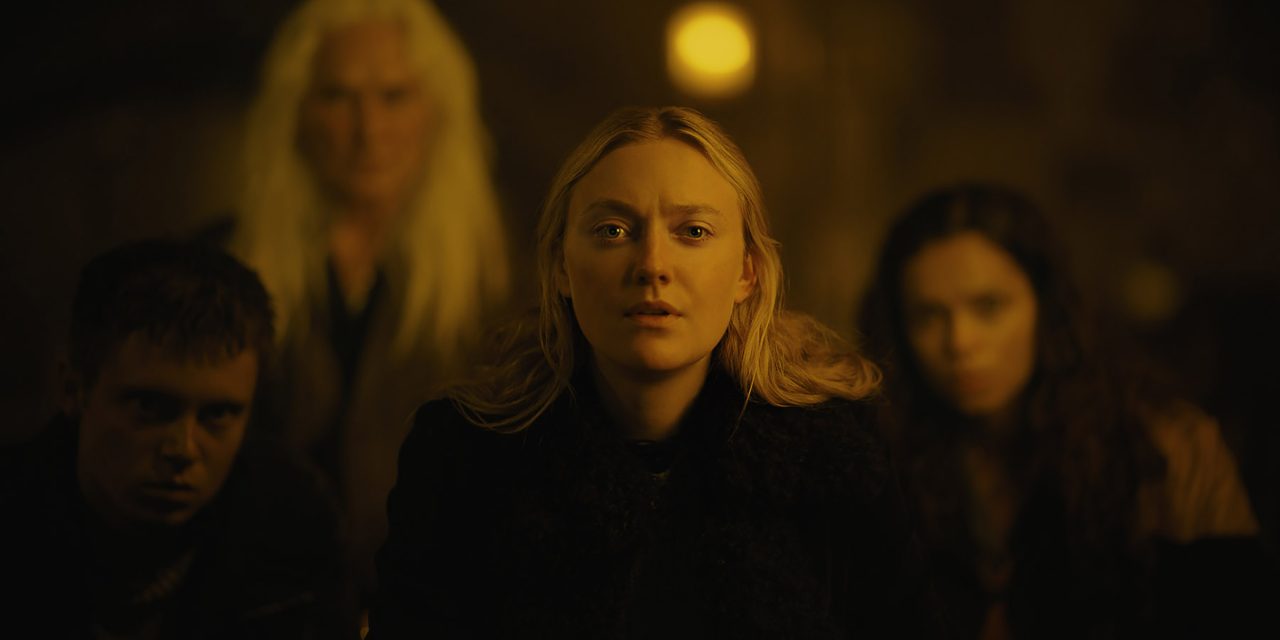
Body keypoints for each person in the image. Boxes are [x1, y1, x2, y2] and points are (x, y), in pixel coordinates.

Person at [370, 106, 944, 638]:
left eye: (693, 232)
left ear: (746, 272)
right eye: (613, 231)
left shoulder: (833, 461)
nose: (652, 266)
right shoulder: (465, 458)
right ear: (561, 265)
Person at [858, 184, 1275, 639]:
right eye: (928, 316)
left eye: (988, 307)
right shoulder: (882, 458)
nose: (959, 342)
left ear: (1045, 306)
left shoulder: (1163, 448)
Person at [229, 0, 509, 598]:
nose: (368, 129)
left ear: (436, 112)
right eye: (337, 96)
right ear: (296, 112)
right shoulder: (227, 269)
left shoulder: (498, 284)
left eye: (394, 96)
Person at [0, 240, 356, 638]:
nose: (183, 449)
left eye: (218, 414)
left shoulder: (293, 525)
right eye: (149, 406)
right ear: (73, 389)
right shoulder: (13, 518)